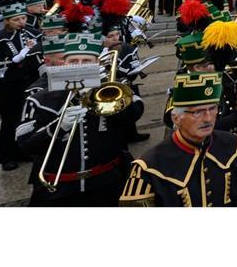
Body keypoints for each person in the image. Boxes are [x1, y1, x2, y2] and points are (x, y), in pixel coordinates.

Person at [18, 31, 145, 206]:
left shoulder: (114, 88)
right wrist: (58, 126)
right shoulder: (39, 98)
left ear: (97, 63)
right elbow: (25, 145)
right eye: (73, 62)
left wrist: (103, 95)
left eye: (87, 61)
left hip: (108, 182)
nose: (79, 67)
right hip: (60, 189)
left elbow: (134, 115)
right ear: (63, 64)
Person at [120, 71, 237, 206]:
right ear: (176, 118)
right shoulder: (147, 168)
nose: (208, 118)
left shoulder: (235, 146)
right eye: (197, 112)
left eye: (212, 108)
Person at [0, 0, 43, 170]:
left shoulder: (34, 33)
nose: (22, 22)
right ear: (7, 20)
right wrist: (15, 59)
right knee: (10, 120)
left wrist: (34, 50)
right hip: (8, 85)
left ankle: (23, 150)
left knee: (26, 118)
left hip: (29, 81)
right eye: (16, 20)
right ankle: (7, 156)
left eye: (23, 18)